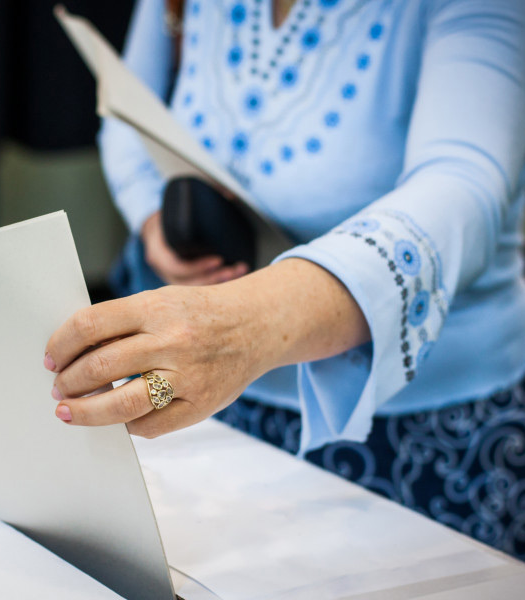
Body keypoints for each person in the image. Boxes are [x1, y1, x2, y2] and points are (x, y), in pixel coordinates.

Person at [45, 0, 525, 558]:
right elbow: (125, 100)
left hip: (416, 427)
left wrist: (248, 325)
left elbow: (467, 181)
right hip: (216, 401)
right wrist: (155, 218)